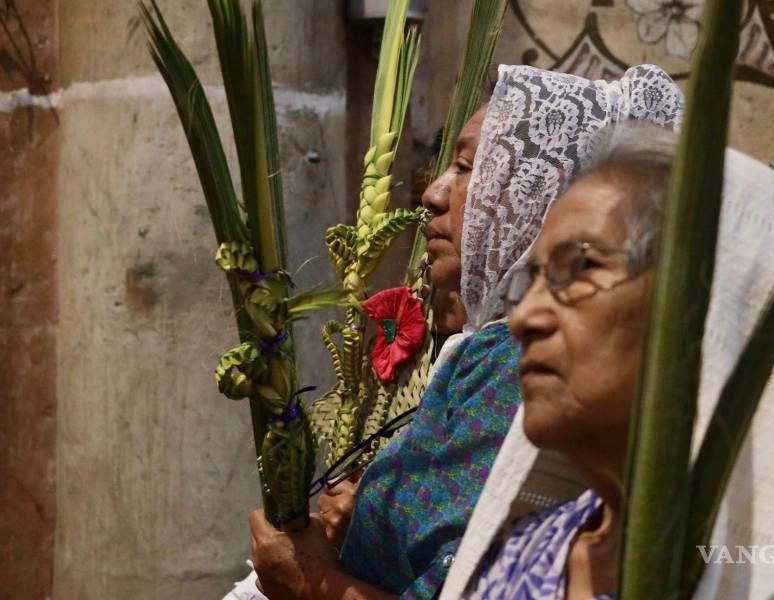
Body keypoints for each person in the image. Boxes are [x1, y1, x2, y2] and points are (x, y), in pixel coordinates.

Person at [440, 124, 774, 599]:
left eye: (579, 267)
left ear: (708, 305)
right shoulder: (520, 560)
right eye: (529, 281)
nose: (524, 318)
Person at [247, 65, 685, 599]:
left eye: (464, 166)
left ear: (535, 195)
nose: (431, 194)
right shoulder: (552, 552)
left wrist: (311, 583)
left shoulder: (514, 360)